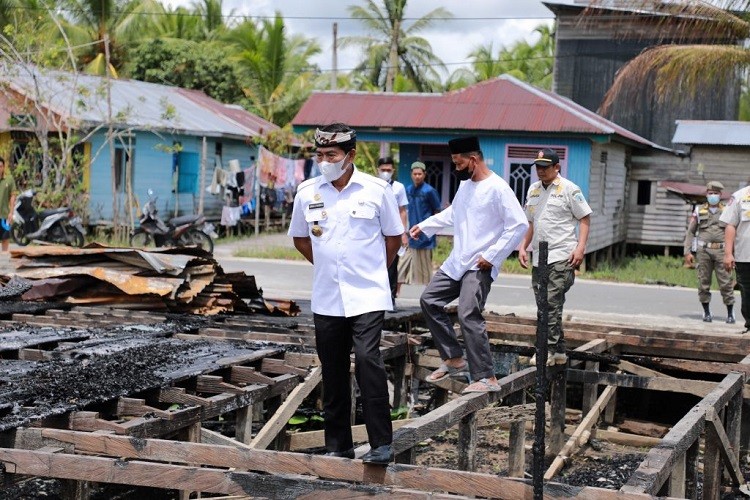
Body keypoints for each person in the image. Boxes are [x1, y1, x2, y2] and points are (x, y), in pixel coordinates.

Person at [288, 123, 403, 464]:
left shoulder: (376, 190)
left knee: (368, 361)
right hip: (327, 296)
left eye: (331, 155)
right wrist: (327, 266)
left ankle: (381, 443)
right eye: (320, 155)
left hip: (367, 294)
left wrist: (372, 272)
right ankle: (338, 446)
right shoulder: (307, 192)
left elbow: (393, 237)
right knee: (333, 370)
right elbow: (300, 237)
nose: (324, 161)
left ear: (350, 155)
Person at [411, 136, 528, 393]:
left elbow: (519, 224)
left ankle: (487, 377)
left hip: (480, 264)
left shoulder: (498, 188)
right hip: (458, 261)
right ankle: (454, 359)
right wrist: (426, 225)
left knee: (467, 313)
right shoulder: (465, 186)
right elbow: (453, 213)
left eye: (458, 163)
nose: (455, 168)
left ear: (473, 160)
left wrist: (494, 255)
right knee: (429, 300)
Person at [518, 148, 592, 366]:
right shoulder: (533, 190)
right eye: (538, 167)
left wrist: (580, 248)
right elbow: (531, 222)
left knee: (551, 302)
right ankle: (558, 350)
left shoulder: (569, 189)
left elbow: (585, 218)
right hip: (539, 256)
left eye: (545, 167)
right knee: (543, 305)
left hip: (562, 254)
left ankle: (546, 351)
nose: (540, 171)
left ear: (556, 167)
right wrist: (523, 246)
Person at [684, 181, 734, 323]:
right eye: (710, 193)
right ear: (706, 194)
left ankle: (730, 313)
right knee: (703, 282)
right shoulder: (699, 211)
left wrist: (732, 253)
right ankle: (706, 312)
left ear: (720, 195)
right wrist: (687, 252)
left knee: (725, 282)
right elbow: (690, 232)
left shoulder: (727, 210)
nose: (713, 196)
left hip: (721, 251)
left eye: (716, 194)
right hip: (703, 251)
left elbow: (732, 233)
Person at [397, 161, 442, 291]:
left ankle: (431, 299)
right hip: (410, 235)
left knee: (425, 271)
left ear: (424, 175)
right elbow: (403, 210)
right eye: (415, 174)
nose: (417, 176)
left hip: (424, 237)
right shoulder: (408, 190)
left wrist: (432, 230)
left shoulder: (429, 191)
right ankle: (394, 296)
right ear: (411, 174)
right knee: (401, 267)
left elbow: (437, 212)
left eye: (420, 174)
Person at [377, 157, 409, 307]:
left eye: (388, 170)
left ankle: (391, 298)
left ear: (393, 171)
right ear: (377, 170)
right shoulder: (372, 186)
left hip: (393, 233)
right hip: (376, 232)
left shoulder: (398, 187)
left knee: (391, 265)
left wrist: (403, 233)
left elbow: (402, 211)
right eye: (383, 170)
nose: (385, 173)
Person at [722, 182, 750, 333]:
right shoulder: (740, 196)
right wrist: (728, 253)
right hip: (745, 256)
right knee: (747, 293)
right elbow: (730, 225)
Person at [0, 157, 16, 253]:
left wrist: (11, 212)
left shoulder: (9, 179)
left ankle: (4, 263)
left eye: (0, 166)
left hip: (5, 216)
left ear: (3, 167)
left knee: (5, 239)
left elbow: (13, 196)